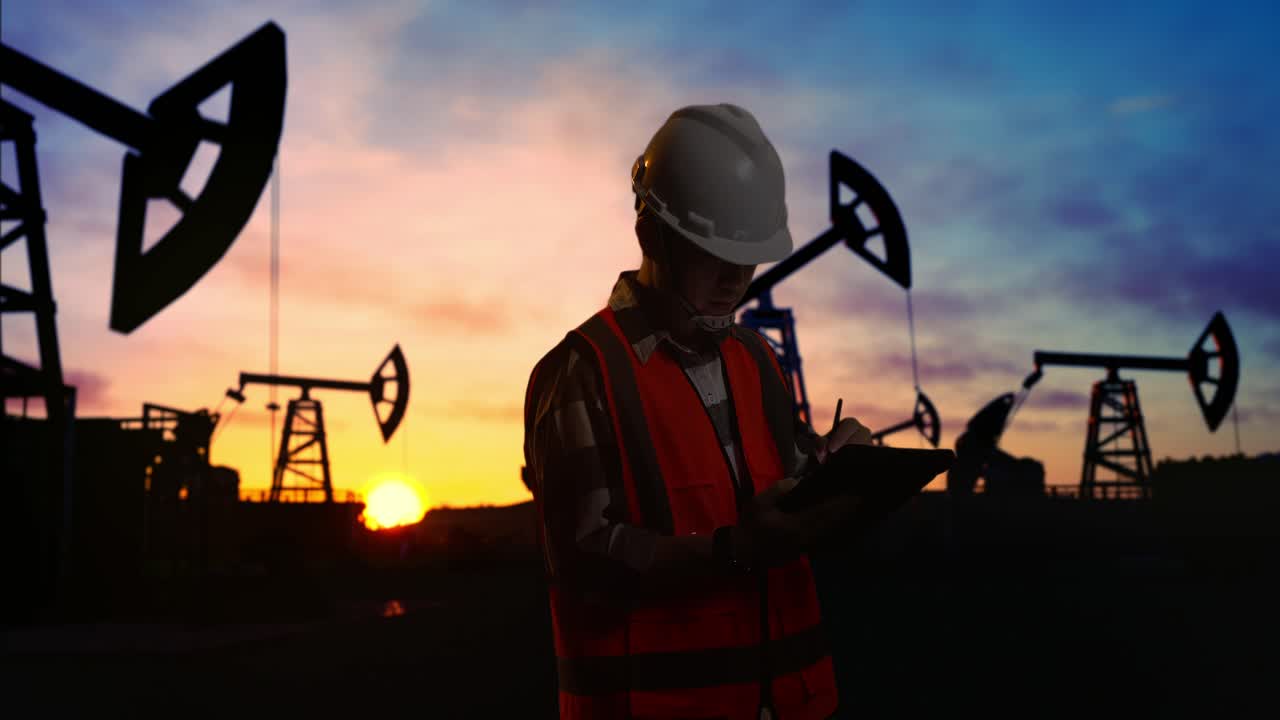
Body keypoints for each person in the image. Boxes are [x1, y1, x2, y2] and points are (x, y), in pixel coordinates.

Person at [523, 103, 873, 720]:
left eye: (750, 255)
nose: (737, 276)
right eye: (714, 252)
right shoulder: (582, 374)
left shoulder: (757, 361)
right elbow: (586, 565)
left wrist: (833, 472)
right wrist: (734, 550)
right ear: (651, 235)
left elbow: (781, 493)